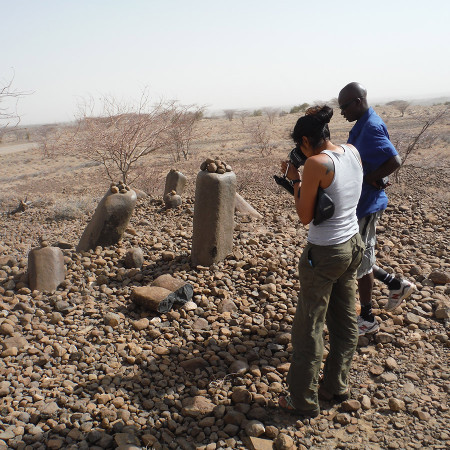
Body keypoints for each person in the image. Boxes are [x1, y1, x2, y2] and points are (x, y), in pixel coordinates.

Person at [278, 105, 364, 418]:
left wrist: (295, 180)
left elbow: (305, 216)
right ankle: (336, 385)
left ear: (305, 140)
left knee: (309, 327)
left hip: (326, 251)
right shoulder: (352, 151)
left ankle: (302, 400)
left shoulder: (315, 164)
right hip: (353, 245)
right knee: (344, 320)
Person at [338, 82, 416, 336]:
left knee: (360, 261)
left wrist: (371, 178)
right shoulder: (363, 123)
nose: (342, 112)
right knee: (360, 256)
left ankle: (367, 318)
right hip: (363, 202)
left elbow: (394, 160)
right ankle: (395, 284)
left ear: (358, 101)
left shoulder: (370, 126)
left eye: (344, 107)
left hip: (369, 203)